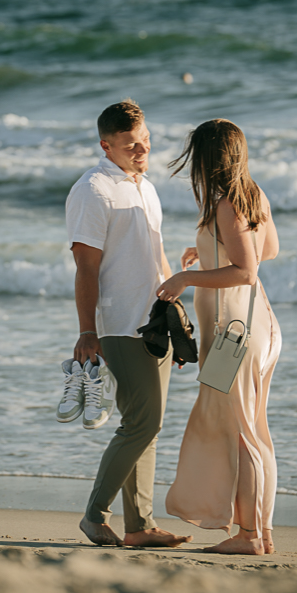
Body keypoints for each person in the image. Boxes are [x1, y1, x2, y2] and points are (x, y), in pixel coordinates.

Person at [65, 98, 191, 549]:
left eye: (146, 142)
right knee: (142, 423)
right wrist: (86, 331)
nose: (142, 151)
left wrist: (175, 316)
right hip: (120, 324)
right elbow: (86, 267)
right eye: (130, 145)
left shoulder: (145, 187)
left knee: (146, 423)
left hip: (155, 322)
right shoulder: (93, 190)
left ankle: (139, 527)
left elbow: (155, 257)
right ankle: (95, 515)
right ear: (106, 145)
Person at [156, 119, 281, 556]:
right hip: (258, 327)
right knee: (254, 430)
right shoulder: (254, 194)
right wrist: (210, 254)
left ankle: (248, 537)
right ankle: (260, 534)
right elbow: (268, 250)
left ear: (209, 159)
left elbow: (246, 271)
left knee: (243, 432)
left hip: (235, 334)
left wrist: (188, 276)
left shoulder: (228, 203)